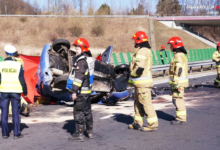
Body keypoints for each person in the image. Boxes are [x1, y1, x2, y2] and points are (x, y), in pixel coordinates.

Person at [128, 31, 158, 132]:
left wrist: (132, 74)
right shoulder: (144, 50)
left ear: (139, 40)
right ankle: (138, 123)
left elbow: (139, 68)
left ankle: (152, 124)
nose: (134, 42)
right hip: (139, 84)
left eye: (135, 40)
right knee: (137, 103)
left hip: (143, 84)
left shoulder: (142, 51)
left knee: (145, 103)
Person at [66, 38, 94, 142]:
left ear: (83, 49)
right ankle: (90, 132)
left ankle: (79, 133)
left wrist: (74, 91)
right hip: (87, 91)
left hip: (81, 92)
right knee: (87, 112)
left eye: (77, 48)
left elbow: (78, 78)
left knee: (78, 112)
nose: (75, 50)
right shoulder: (89, 59)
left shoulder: (81, 61)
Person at [0, 45, 27, 139]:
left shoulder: (1, 64)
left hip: (3, 91)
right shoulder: (18, 65)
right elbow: (22, 80)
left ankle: (4, 133)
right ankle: (16, 134)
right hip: (16, 92)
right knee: (15, 113)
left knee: (4, 112)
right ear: (14, 53)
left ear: (6, 53)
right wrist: (25, 92)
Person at [167, 37, 189, 125]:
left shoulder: (178, 55)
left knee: (177, 99)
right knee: (177, 99)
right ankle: (180, 117)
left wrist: (175, 81)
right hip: (179, 81)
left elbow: (178, 68)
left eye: (171, 45)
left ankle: (181, 118)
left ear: (175, 45)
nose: (170, 48)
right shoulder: (179, 54)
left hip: (179, 82)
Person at [8, 50, 30, 116]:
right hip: (19, 79)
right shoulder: (21, 60)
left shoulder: (12, 60)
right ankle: (25, 103)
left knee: (9, 95)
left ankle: (9, 112)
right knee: (16, 95)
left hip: (12, 78)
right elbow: (23, 69)